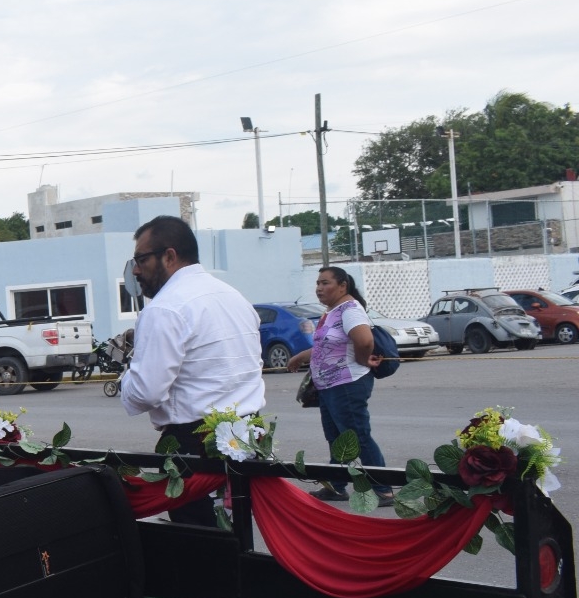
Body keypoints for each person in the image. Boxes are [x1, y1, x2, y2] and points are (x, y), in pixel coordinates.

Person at [120, 215, 265, 526]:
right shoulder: (234, 297)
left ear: (169, 256)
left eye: (141, 259)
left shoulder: (164, 308)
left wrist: (126, 376)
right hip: (244, 438)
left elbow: (145, 392)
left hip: (194, 447)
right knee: (236, 537)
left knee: (202, 547)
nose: (135, 270)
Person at [286, 266, 393, 506]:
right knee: (336, 437)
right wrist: (302, 356)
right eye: (317, 283)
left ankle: (383, 489)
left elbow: (365, 340)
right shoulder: (333, 311)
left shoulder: (350, 310)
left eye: (325, 283)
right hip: (330, 386)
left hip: (348, 384)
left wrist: (363, 359)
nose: (319, 288)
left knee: (357, 436)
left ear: (343, 286)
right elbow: (330, 346)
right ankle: (336, 486)